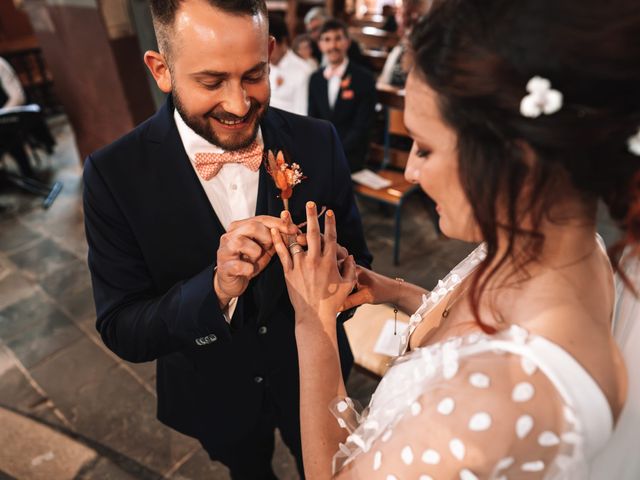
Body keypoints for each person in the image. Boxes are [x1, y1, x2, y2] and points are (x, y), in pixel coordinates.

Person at [270, 0, 640, 477]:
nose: (411, 170)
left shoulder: (494, 400)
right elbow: (469, 331)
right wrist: (392, 290)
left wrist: (313, 321)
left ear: (515, 157)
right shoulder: (561, 247)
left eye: (424, 147)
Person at [82, 0, 372, 478]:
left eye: (254, 75)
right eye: (212, 82)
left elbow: (359, 262)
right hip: (213, 393)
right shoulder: (114, 176)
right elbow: (122, 326)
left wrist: (333, 273)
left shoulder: (318, 141)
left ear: (271, 53)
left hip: (316, 378)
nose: (239, 105)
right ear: (162, 69)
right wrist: (213, 291)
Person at [308, 19, 376, 171]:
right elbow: (313, 120)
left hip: (351, 154)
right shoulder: (315, 79)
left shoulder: (364, 78)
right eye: (327, 40)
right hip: (322, 151)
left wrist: (336, 152)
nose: (333, 46)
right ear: (320, 45)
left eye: (338, 38)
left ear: (348, 42)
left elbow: (362, 126)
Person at [268, 14, 314, 116]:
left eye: (269, 46)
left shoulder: (303, 70)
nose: (264, 52)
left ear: (283, 41)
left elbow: (302, 114)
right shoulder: (260, 67)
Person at [304, 8, 368, 69]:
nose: (314, 34)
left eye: (317, 28)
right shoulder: (311, 47)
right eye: (310, 31)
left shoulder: (351, 46)